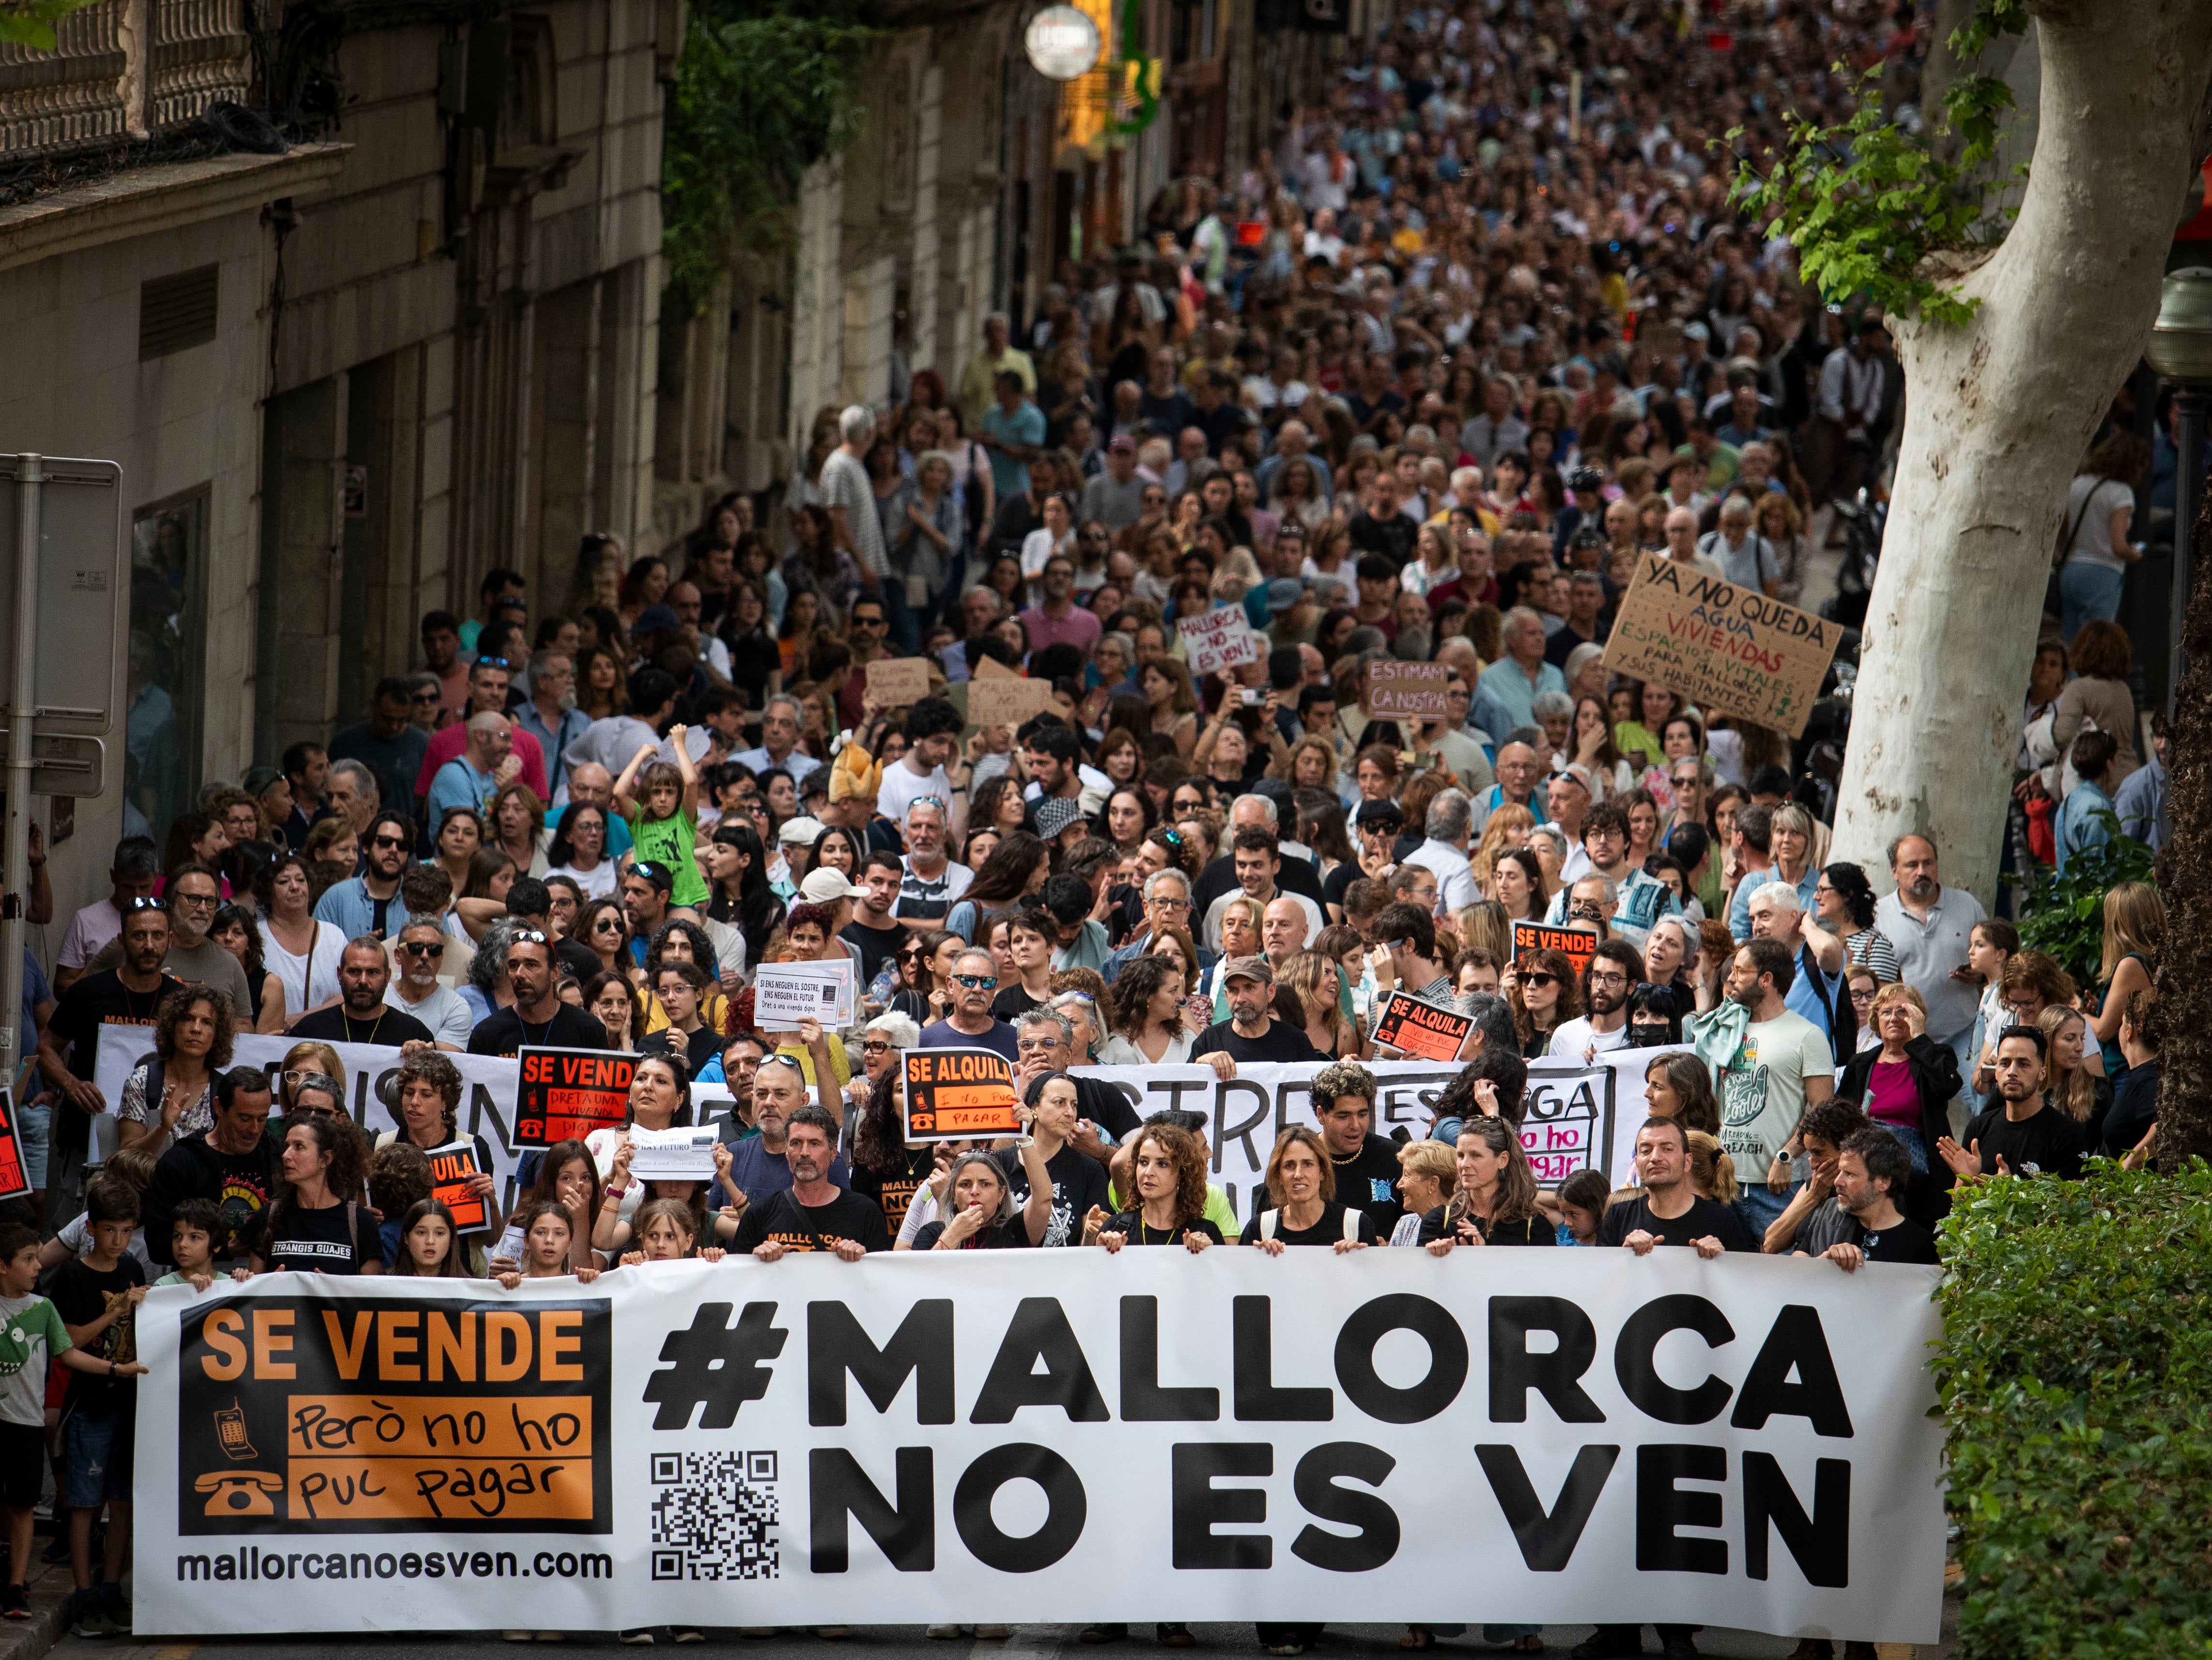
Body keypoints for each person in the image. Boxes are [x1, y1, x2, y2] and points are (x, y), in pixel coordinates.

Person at [37, 901, 185, 1228]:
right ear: (121, 941)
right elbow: (46, 1048)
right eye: (139, 936)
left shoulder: (182, 1000)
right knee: (72, 1225)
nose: (149, 945)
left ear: (170, 940)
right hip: (86, 1131)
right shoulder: (89, 992)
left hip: (158, 1139)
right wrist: (71, 1084)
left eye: (158, 935)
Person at [1691, 938, 1833, 1238]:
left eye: (1741, 971)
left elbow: (1822, 1111)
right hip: (1722, 1181)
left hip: (1777, 1187)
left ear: (1766, 980)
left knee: (1776, 1276)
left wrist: (1788, 1155)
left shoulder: (1807, 1035)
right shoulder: (1724, 1029)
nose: (1730, 977)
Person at [1872, 834, 1985, 1088]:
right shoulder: (1878, 916)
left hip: (1963, 1034)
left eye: (1929, 863)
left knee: (1982, 1103)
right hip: (1904, 1041)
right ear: (1894, 871)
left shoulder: (1967, 905)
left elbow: (1994, 959)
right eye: (1912, 865)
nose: (1922, 871)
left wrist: (1979, 975)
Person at [1837, 983, 1962, 1178]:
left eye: (1903, 1011)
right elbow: (1840, 1116)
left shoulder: (1934, 1057)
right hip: (1864, 1174)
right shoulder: (1860, 1064)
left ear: (1917, 1017)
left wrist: (1919, 1037)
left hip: (1915, 1177)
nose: (1894, 1018)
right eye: (1886, 1012)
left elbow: (1948, 1087)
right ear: (1876, 1019)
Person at [731, 1104, 887, 1257]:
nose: (804, 1153)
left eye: (814, 1144)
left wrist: (862, 1260)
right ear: (787, 1152)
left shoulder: (865, 1213)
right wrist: (757, 1260)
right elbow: (737, 1277)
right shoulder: (759, 1213)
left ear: (833, 1153)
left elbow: (883, 1276)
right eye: (796, 1143)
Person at [1939, 1025, 2088, 1182]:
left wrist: (2010, 1191)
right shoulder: (1978, 1128)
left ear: (2042, 1073)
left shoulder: (2067, 1136)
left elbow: (2074, 1205)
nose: (2012, 1072)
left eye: (2023, 1064)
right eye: (2005, 1063)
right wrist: (1968, 1182)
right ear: (1996, 1072)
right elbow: (1958, 1204)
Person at [250, 1115, 383, 1274]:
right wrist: (268, 1283)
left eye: (299, 1147)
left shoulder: (361, 1222)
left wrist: (333, 1290)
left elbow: (371, 1293)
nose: (286, 1155)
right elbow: (252, 1293)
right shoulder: (269, 1216)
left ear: (326, 1159)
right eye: (287, 1146)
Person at [113, 984, 232, 1156]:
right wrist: (163, 1128)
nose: (196, 1029)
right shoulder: (142, 1081)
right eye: (188, 1019)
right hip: (148, 1181)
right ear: (172, 1026)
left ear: (217, 1035)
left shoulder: (224, 1090)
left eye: (207, 1023)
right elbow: (126, 1154)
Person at [1417, 1115, 1554, 1253]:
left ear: (1502, 1160)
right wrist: (1436, 1258)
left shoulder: (1535, 1227)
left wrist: (1484, 1257)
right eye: (1460, 1156)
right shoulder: (1439, 1220)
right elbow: (1419, 1272)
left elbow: (1542, 1274)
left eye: (1476, 1155)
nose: (1464, 1164)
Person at [466, 928, 609, 1056]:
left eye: (531, 965)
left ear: (555, 972)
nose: (520, 974)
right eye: (514, 965)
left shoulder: (588, 1029)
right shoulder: (487, 1034)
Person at [1306, 1057, 1408, 1237]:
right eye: (1343, 1116)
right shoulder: (1300, 1160)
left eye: (1362, 1114)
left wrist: (1391, 1248)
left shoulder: (1394, 1157)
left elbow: (1415, 1227)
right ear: (1321, 1115)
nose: (1356, 1125)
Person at [1816, 1129, 1940, 1268]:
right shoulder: (1830, 1214)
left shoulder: (1921, 1245)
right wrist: (1825, 1260)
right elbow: (1799, 1264)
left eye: (1850, 1174)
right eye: (1840, 1172)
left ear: (1883, 1182)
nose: (1837, 1182)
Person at [289, 937, 439, 1048]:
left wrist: (422, 1059)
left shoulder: (415, 1034)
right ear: (340, 975)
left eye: (373, 972)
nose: (363, 981)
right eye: (354, 972)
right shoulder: (308, 1032)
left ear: (387, 977)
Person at [1191, 956, 1323, 1065]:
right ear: (1226, 995)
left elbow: (1316, 1091)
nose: (1241, 998)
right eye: (1233, 990)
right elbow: (1187, 1092)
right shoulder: (1208, 1041)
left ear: (1270, 992)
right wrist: (1200, 1066)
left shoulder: (1295, 1041)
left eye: (1249, 988)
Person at [919, 947, 1018, 1063]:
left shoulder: (1015, 1039)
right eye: (968, 980)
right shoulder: (924, 1041)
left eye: (987, 982)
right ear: (951, 985)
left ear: (995, 988)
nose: (978, 989)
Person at [1547, 940, 1641, 1061]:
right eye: (1596, 976)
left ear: (1631, 986)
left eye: (1612, 979)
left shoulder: (1640, 1039)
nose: (1601, 986)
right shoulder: (1564, 1035)